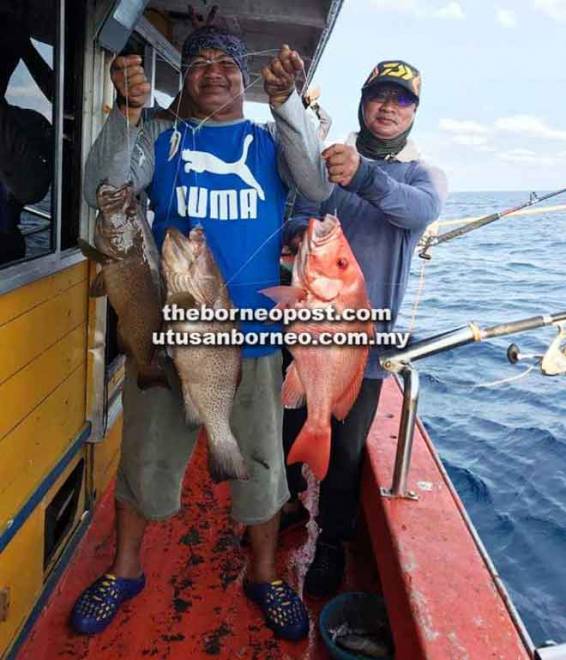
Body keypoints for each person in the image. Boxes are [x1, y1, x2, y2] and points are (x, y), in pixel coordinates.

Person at [71, 25, 331, 640]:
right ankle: (125, 569)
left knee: (263, 467)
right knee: (143, 459)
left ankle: (264, 575)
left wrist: (288, 101)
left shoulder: (270, 141)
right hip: (170, 333)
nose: (214, 71)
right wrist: (126, 111)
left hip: (258, 343)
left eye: (227, 62)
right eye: (200, 62)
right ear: (184, 77)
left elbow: (317, 187)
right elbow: (101, 192)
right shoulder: (164, 137)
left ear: (245, 74)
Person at [282, 59, 448, 598]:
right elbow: (299, 208)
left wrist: (364, 176)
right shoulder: (326, 164)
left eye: (402, 100)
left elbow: (415, 212)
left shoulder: (423, 175)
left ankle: (330, 543)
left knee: (345, 453)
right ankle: (286, 504)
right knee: (287, 424)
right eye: (380, 95)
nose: (389, 107)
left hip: (365, 350)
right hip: (308, 327)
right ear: (364, 100)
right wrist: (298, 228)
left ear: (414, 113)